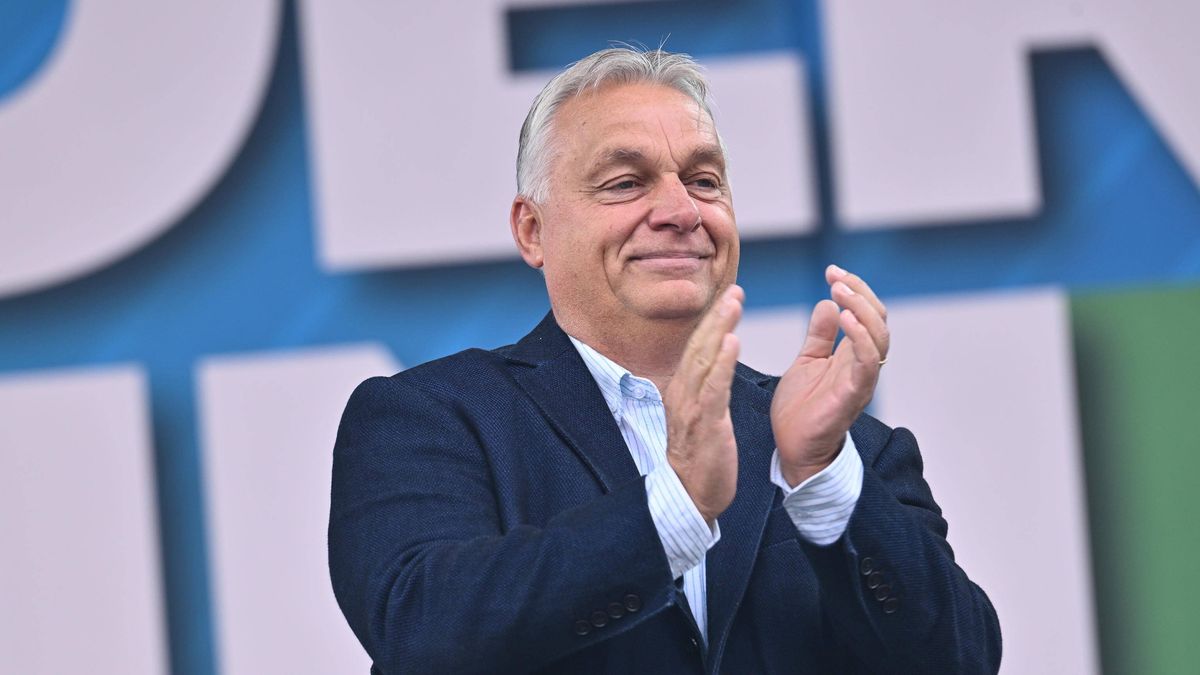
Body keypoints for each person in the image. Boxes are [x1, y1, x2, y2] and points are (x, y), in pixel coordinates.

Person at [329, 47, 1001, 674]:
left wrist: (822, 477)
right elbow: (422, 628)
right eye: (626, 183)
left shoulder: (847, 449)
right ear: (533, 230)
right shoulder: (430, 418)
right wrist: (672, 509)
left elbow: (961, 659)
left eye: (704, 180)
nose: (681, 211)